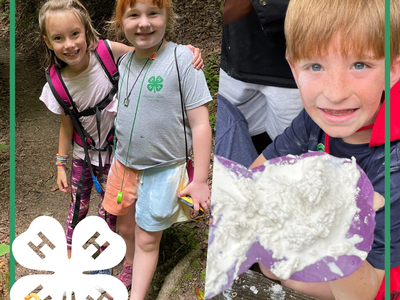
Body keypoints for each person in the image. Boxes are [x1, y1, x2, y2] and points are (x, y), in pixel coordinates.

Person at [248, 0, 400, 299]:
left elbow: (362, 294)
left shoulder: (392, 168)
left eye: (360, 65)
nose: (335, 93)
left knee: (275, 270)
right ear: (294, 69)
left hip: (373, 278)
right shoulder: (317, 118)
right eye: (315, 66)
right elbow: (254, 178)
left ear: (393, 70)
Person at [38, 0, 202, 265]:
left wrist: (183, 54)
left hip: (118, 155)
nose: (69, 44)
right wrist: (60, 163)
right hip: (83, 154)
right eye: (59, 38)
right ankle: (69, 255)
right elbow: (67, 123)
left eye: (75, 34)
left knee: (112, 207)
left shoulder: (106, 53)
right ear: (48, 41)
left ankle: (108, 253)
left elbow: (146, 54)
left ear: (87, 32)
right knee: (78, 204)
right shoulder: (57, 82)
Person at [102, 0, 212, 298]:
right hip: (124, 165)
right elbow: (92, 43)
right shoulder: (124, 62)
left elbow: (201, 124)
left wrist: (199, 180)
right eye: (133, 15)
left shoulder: (183, 61)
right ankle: (131, 265)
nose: (144, 23)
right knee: (124, 228)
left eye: (153, 13)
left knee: (148, 239)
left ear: (167, 17)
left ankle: (137, 295)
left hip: (164, 169)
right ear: (120, 21)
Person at [214, 0, 303, 167]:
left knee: (295, 156)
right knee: (241, 140)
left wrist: (260, 3)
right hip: (233, 57)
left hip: (293, 64)